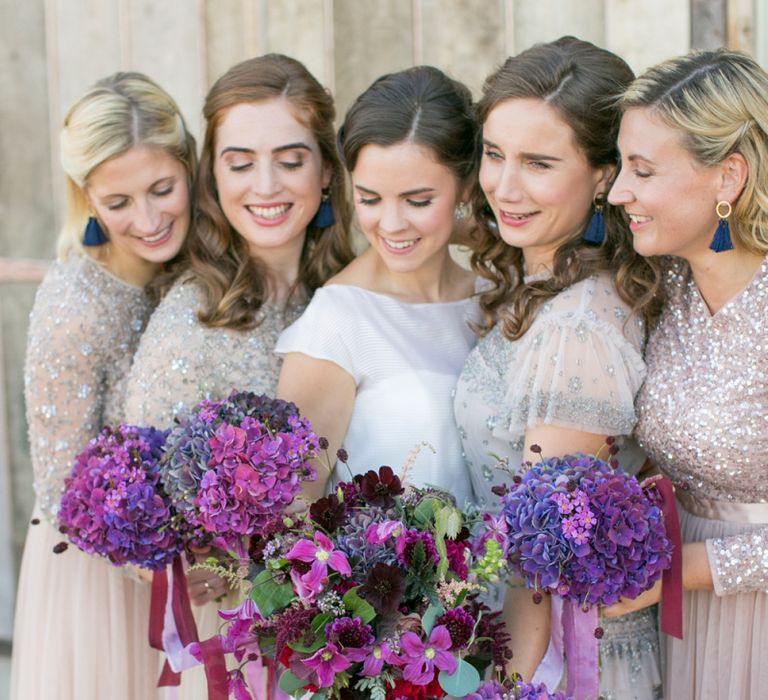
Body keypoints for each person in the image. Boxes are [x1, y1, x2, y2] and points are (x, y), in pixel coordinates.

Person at [123, 53, 353, 698]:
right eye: (240, 161)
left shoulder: (348, 291)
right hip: (237, 649)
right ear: (212, 175)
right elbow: (149, 513)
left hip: (353, 631)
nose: (266, 185)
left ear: (327, 169)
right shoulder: (192, 317)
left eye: (291, 158)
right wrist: (219, 563)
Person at [452, 37, 663, 696]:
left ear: (605, 175)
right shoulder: (544, 281)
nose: (503, 187)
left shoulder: (575, 331)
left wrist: (502, 685)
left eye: (539, 163)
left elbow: (538, 563)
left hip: (565, 662)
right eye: (494, 154)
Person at [10, 71, 196, 700]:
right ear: (86, 197)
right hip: (100, 572)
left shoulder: (197, 274)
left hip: (196, 568)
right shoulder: (73, 304)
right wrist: (153, 562)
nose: (147, 219)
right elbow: (62, 482)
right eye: (118, 203)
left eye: (162, 189)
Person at [605, 48, 768, 698]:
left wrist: (680, 569)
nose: (618, 192)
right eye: (621, 166)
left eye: (642, 170)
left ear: (728, 178)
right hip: (683, 621)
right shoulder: (666, 284)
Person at [276, 66, 478, 505]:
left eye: (417, 201)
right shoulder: (337, 320)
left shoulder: (493, 299)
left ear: (466, 187)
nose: (390, 224)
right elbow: (293, 511)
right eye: (369, 198)